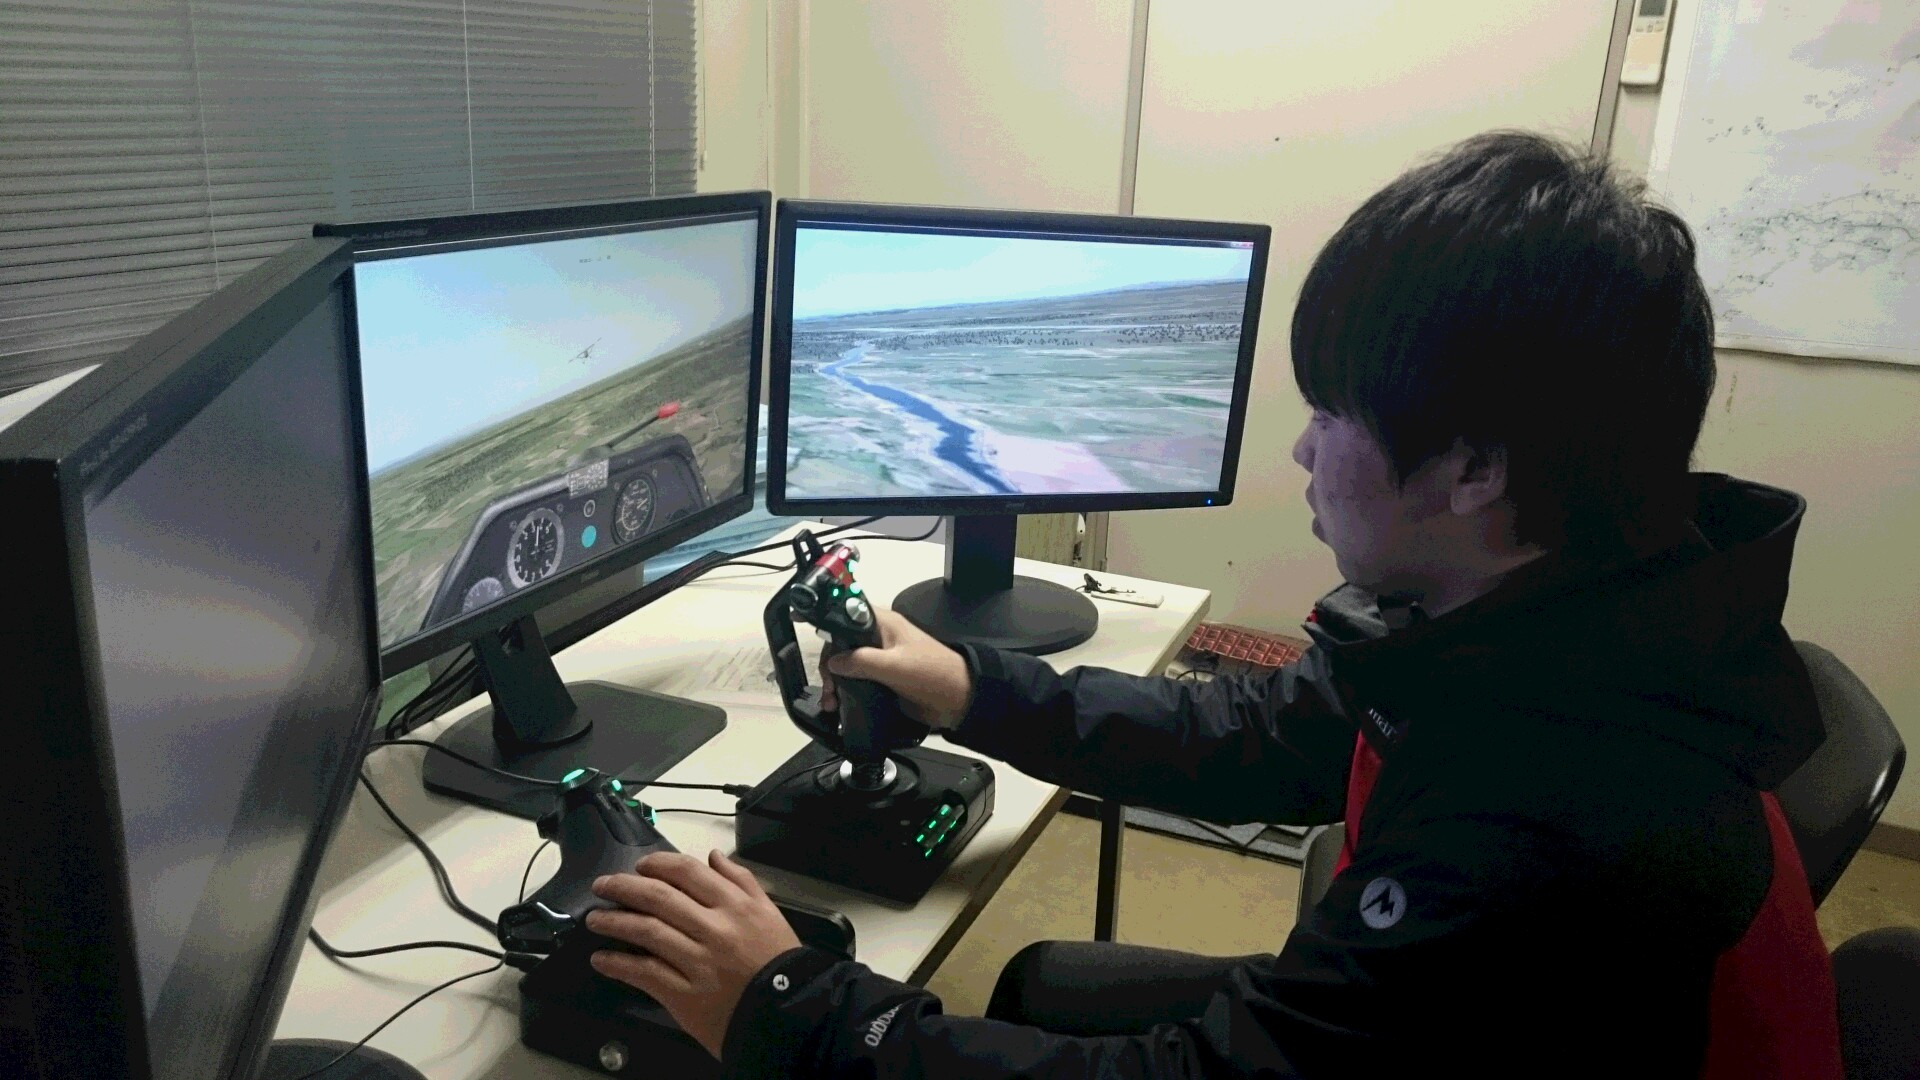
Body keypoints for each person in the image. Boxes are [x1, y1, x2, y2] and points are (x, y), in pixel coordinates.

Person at [576, 131, 1844, 1078]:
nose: (1303, 451)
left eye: (1333, 413)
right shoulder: (1549, 612)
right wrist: (969, 687)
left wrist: (787, 1005)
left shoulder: (1559, 811)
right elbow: (1258, 736)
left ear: (1474, 469)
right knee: (1036, 982)